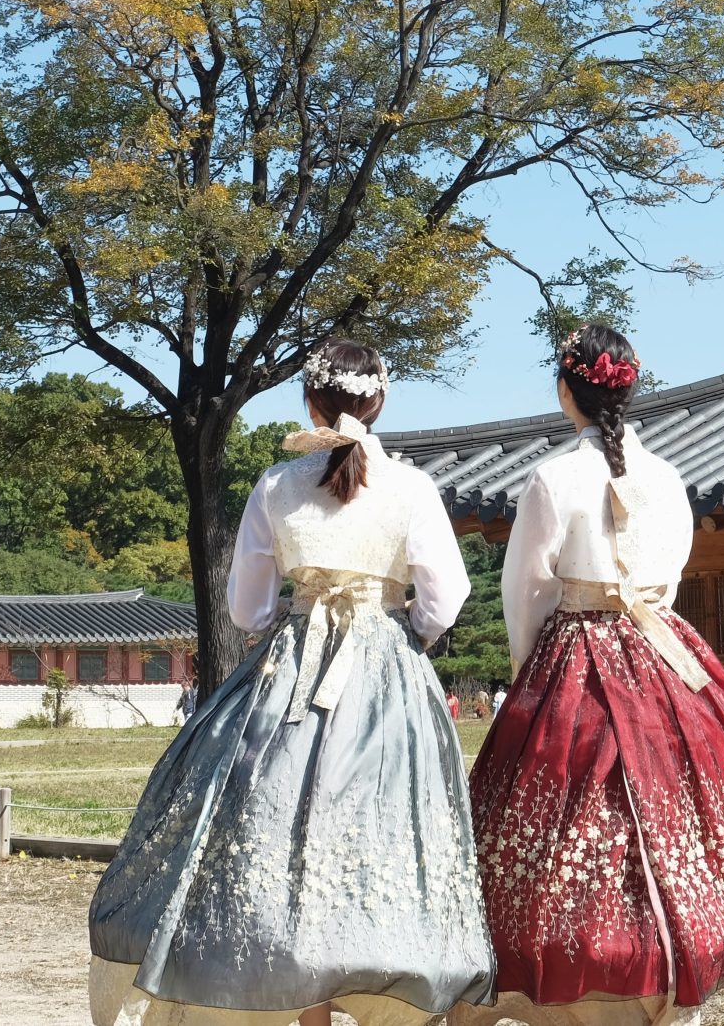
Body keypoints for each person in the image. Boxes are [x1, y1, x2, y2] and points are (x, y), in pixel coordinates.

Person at [89, 339, 494, 1026]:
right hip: (387, 674)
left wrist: (293, 613)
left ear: (310, 401)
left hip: (290, 672)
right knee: (387, 832)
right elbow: (444, 596)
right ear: (381, 399)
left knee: (277, 830)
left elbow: (245, 607)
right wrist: (405, 632)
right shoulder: (411, 487)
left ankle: (304, 1010)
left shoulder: (278, 484)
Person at [455, 324, 724, 1026]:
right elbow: (669, 575)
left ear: (567, 391)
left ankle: (576, 964)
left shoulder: (551, 477)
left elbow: (524, 589)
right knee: (675, 808)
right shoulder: (668, 477)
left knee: (559, 821)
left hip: (576, 652)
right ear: (630, 388)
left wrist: (534, 679)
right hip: (660, 650)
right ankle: (673, 958)